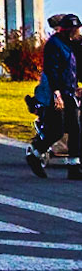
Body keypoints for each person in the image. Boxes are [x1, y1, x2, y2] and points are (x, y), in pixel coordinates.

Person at [26, 12, 82, 180]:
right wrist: (56, 93)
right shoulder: (54, 44)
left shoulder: (72, 44)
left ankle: (74, 166)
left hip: (69, 91)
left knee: (75, 129)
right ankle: (35, 153)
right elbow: (52, 70)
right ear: (68, 30)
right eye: (77, 29)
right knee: (57, 131)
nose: (79, 32)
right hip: (56, 94)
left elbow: (76, 67)